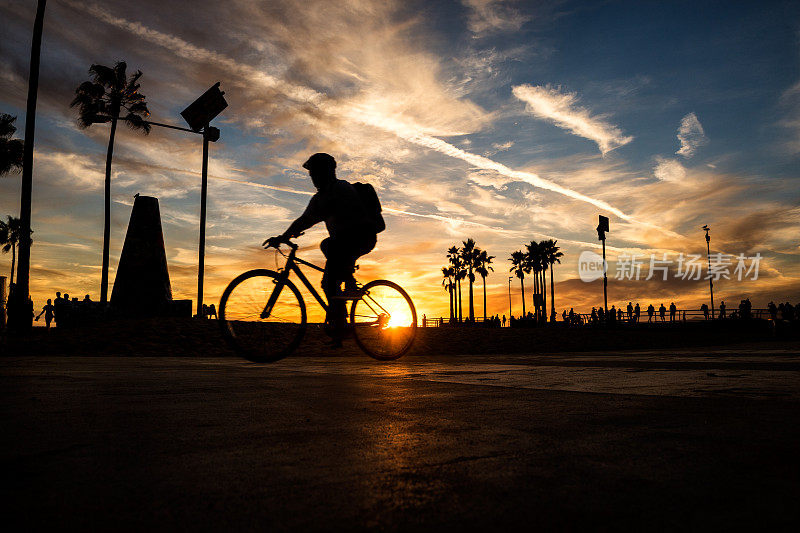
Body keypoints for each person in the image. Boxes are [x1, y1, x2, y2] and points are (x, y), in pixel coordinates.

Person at [266, 153, 378, 347]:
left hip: (361, 237)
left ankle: (348, 290)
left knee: (330, 265)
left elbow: (316, 217)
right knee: (329, 279)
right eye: (311, 174)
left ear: (326, 172)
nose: (312, 178)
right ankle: (340, 329)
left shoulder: (340, 189)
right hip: (343, 242)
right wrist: (283, 237)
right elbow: (304, 219)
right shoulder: (321, 197)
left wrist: (290, 233)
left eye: (315, 173)